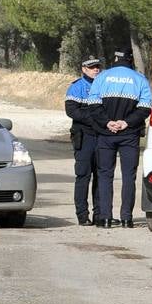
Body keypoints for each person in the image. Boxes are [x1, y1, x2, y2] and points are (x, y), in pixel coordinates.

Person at [85, 50, 152, 229]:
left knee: (105, 175)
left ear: (114, 60)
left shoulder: (102, 77)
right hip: (129, 134)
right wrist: (126, 122)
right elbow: (145, 108)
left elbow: (93, 105)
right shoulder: (140, 79)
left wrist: (107, 122)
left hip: (105, 134)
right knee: (128, 177)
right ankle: (126, 218)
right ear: (130, 60)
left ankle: (106, 218)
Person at [65, 56, 103, 225]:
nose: (96, 69)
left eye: (98, 67)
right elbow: (72, 111)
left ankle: (100, 214)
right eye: (92, 67)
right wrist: (94, 119)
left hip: (101, 137)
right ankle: (82, 215)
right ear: (84, 69)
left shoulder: (104, 86)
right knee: (83, 176)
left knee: (101, 176)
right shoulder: (77, 87)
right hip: (84, 136)